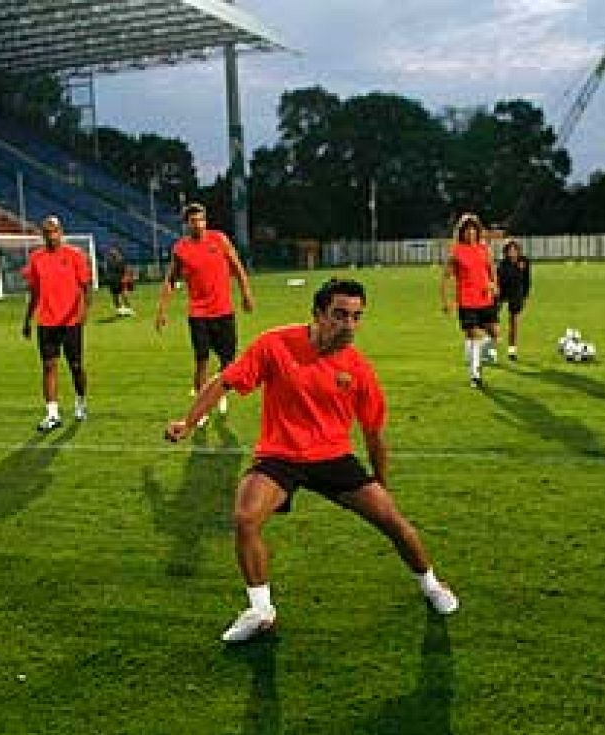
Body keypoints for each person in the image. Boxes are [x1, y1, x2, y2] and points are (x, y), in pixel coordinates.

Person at [164, 278, 460, 642]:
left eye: (356, 317)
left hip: (333, 457)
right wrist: (188, 421)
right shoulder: (275, 344)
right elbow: (224, 381)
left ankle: (431, 585)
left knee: (393, 521)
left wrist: (381, 483)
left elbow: (373, 434)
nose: (349, 325)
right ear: (318, 314)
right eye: (340, 315)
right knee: (244, 517)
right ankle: (260, 610)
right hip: (280, 456)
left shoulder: (359, 369)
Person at [154, 202, 255, 421]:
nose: (199, 224)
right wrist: (162, 309)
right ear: (186, 224)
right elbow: (171, 279)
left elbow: (237, 267)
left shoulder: (219, 239)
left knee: (228, 361)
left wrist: (246, 293)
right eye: (193, 221)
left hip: (224, 310)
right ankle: (200, 406)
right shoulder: (181, 249)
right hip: (199, 313)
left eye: (202, 219)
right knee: (201, 360)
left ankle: (219, 392)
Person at [20, 215, 92, 431]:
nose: (51, 235)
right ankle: (52, 413)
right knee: (49, 366)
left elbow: (87, 288)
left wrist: (83, 314)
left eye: (54, 231)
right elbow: (34, 292)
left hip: (71, 322)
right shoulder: (36, 259)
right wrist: (27, 319)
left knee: (76, 366)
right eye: (47, 232)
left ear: (61, 232)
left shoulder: (75, 256)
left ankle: (80, 401)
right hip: (46, 322)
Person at [440, 213, 498, 387]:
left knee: (494, 334)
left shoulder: (483, 248)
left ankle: (474, 351)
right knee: (475, 335)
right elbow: (446, 277)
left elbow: (491, 268)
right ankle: (475, 374)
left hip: (485, 299)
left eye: (473, 230)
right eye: (467, 230)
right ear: (462, 232)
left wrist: (494, 285)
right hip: (467, 301)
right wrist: (446, 301)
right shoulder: (456, 251)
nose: (470, 233)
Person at [496, 239, 532, 361]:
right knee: (493, 319)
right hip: (502, 291)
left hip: (516, 292)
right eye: (509, 250)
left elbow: (527, 280)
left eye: (514, 250)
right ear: (505, 252)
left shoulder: (524, 262)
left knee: (514, 321)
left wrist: (525, 296)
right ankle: (492, 345)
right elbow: (498, 282)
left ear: (518, 251)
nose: (512, 253)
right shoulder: (502, 265)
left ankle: (512, 350)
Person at [103, 245, 134, 316]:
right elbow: (108, 270)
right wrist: (108, 278)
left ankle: (129, 309)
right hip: (113, 281)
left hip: (121, 280)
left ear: (117, 251)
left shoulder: (122, 260)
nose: (111, 252)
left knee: (125, 295)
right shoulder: (108, 261)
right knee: (115, 296)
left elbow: (127, 269)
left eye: (113, 250)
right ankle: (119, 310)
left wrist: (126, 277)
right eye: (111, 251)